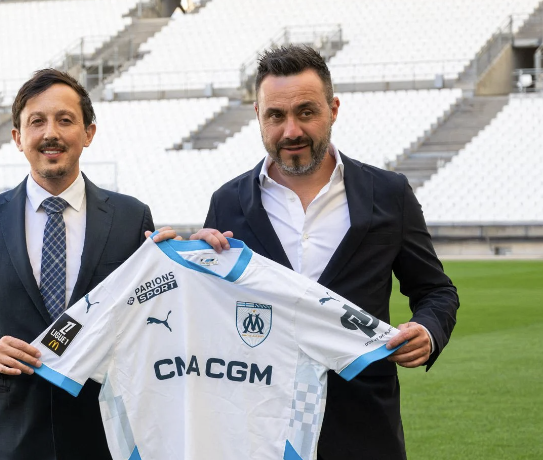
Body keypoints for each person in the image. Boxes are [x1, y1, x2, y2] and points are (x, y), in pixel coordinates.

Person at [192, 45, 459, 460]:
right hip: (259, 428)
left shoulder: (388, 194)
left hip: (363, 427)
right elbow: (207, 317)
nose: (291, 130)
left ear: (333, 109)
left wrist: (427, 330)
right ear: (258, 117)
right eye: (275, 116)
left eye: (306, 112)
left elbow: (436, 291)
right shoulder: (227, 202)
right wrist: (190, 265)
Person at [0, 69, 165, 459]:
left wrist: (193, 262)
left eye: (65, 120)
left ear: (88, 133)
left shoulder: (131, 218)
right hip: (9, 436)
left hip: (102, 435)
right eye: (37, 122)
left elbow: (157, 320)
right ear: (18, 137)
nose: (51, 134)